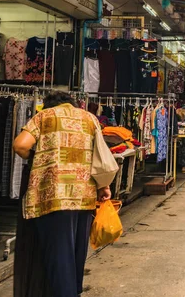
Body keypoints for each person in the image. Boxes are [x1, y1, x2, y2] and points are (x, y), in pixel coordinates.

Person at [12, 91, 112, 297]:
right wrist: (104, 186)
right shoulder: (90, 119)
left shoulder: (43, 117)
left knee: (58, 256)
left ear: (49, 105)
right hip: (84, 196)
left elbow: (20, 145)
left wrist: (36, 156)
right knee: (76, 254)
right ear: (73, 104)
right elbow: (100, 158)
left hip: (53, 196)